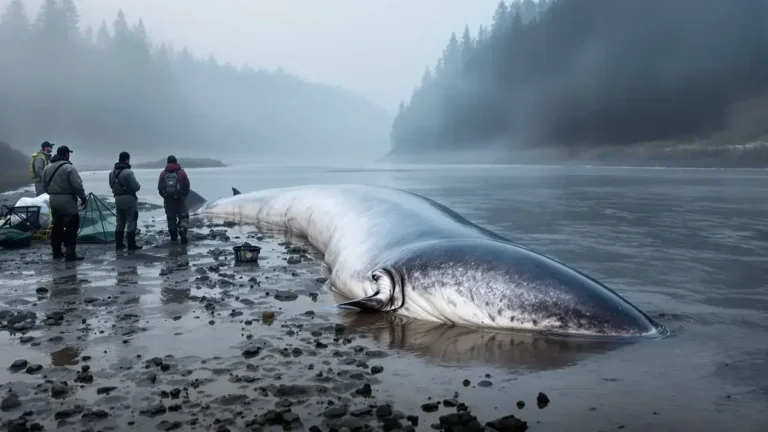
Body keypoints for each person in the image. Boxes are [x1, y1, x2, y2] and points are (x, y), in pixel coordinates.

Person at [42, 145, 87, 261]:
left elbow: (44, 185)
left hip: (53, 199)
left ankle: (56, 252)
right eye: (69, 153)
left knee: (57, 226)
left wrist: (53, 193)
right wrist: (83, 198)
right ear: (66, 154)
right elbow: (77, 185)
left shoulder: (48, 167)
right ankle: (70, 253)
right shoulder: (69, 168)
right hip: (67, 200)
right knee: (72, 225)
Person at [109, 151, 142, 251]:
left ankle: (119, 244)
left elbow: (111, 186)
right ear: (127, 160)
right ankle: (131, 245)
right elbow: (136, 187)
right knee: (131, 221)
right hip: (129, 198)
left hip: (117, 198)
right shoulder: (128, 172)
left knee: (120, 221)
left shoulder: (112, 173)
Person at [158, 155, 190, 244]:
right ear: (176, 162)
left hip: (168, 201)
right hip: (180, 200)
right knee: (184, 217)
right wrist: (184, 196)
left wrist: (165, 197)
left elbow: (160, 188)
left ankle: (173, 239)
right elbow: (187, 185)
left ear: (167, 162)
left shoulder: (163, 174)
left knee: (171, 219)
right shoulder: (182, 173)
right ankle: (182, 229)